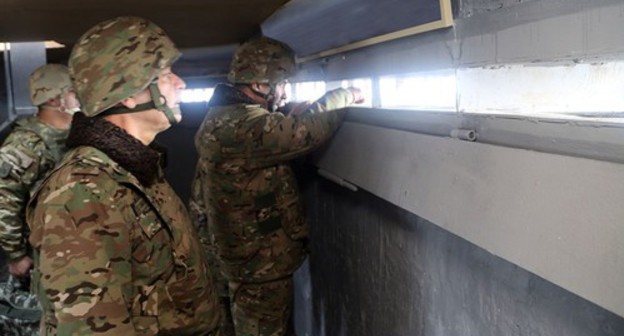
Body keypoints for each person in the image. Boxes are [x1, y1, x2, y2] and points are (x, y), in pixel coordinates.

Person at [26, 16, 220, 335]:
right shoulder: (83, 193)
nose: (180, 83)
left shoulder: (133, 167)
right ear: (127, 94)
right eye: (165, 74)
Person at [192, 36, 364, 335]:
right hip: (258, 264)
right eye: (281, 83)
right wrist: (345, 95)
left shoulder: (224, 117)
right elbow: (305, 133)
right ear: (260, 85)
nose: (284, 90)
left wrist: (283, 112)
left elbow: (266, 135)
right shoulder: (242, 125)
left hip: (241, 258)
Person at [0, 63, 78, 335]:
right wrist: (17, 254)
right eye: (73, 91)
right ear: (55, 99)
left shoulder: (73, 137)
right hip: (40, 257)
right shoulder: (25, 144)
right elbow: (3, 202)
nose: (79, 96)